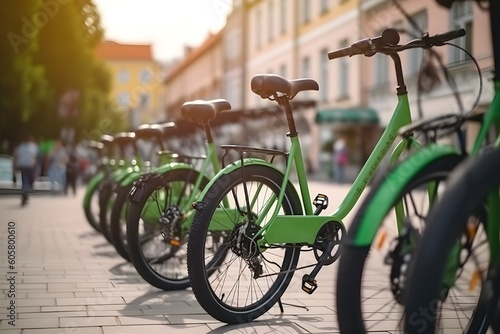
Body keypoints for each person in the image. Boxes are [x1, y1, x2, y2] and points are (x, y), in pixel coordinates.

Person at [13, 136, 39, 206]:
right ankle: (25, 194)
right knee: (28, 181)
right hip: (30, 166)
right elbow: (36, 158)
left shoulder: (20, 147)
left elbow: (15, 156)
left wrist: (14, 166)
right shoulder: (34, 147)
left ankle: (25, 193)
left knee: (25, 180)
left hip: (23, 166)